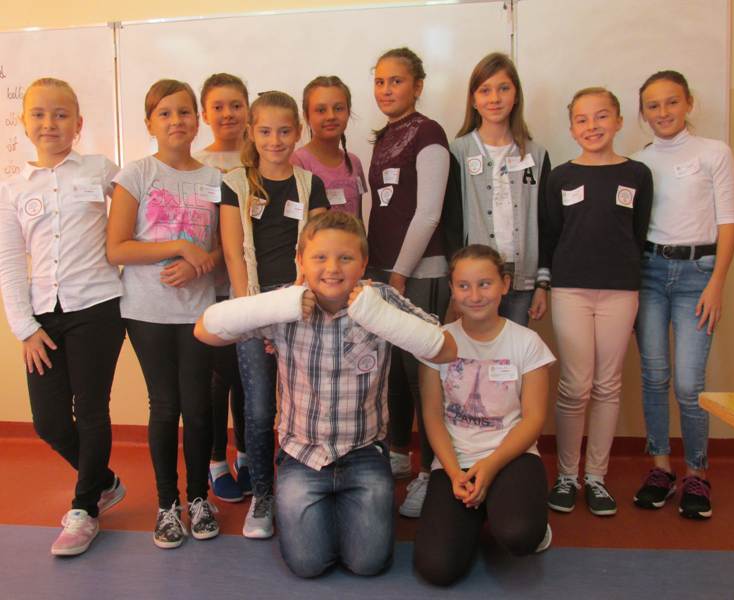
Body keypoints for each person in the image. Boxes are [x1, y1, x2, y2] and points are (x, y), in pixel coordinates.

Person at [195, 211, 457, 578]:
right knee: (308, 565)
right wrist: (278, 305)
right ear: (300, 261)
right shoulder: (284, 303)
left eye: (345, 258)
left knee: (368, 564)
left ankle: (340, 509)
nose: (332, 268)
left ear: (363, 263)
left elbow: (445, 349)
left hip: (364, 453)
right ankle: (329, 511)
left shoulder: (380, 298)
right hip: (302, 456)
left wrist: (379, 315)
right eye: (319, 257)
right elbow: (205, 330)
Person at [0, 77, 126, 557]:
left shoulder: (100, 170)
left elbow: (139, 216)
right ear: (23, 122)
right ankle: (105, 481)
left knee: (91, 410)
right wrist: (25, 329)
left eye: (60, 114)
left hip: (98, 307)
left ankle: (84, 509)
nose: (49, 123)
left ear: (79, 123)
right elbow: (10, 263)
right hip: (43, 319)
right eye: (38, 114)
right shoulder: (12, 189)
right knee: (49, 422)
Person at [106, 79, 222, 548]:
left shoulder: (216, 178)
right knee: (165, 406)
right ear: (150, 123)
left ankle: (199, 499)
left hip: (198, 310)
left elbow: (222, 248)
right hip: (146, 312)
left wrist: (200, 263)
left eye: (185, 112)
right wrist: (178, 246)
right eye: (165, 113)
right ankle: (167, 504)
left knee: (198, 408)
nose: (177, 121)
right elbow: (117, 248)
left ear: (197, 120)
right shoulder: (136, 173)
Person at [219, 90, 328, 538]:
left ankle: (304, 489)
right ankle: (263, 494)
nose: (275, 140)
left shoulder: (310, 184)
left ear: (298, 132)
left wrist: (298, 302)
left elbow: (319, 249)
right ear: (251, 132)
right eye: (265, 131)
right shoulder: (235, 183)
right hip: (253, 308)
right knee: (261, 407)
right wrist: (256, 314)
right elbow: (233, 253)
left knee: (305, 404)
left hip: (302, 306)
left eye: (284, 131)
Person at [414, 244, 554, 586]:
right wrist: (453, 473)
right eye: (464, 286)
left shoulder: (527, 342)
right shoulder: (437, 342)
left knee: (520, 535)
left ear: (505, 284)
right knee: (437, 568)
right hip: (455, 461)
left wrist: (489, 468)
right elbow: (432, 416)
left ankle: (511, 508)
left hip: (510, 457)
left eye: (485, 284)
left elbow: (533, 420)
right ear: (452, 289)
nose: (475, 296)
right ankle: (477, 513)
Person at [632, 70, 734, 519]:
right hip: (650, 273)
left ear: (688, 102)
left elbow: (728, 222)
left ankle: (697, 472)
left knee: (690, 384)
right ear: (643, 114)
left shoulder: (715, 152)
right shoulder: (639, 163)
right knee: (654, 376)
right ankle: (661, 468)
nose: (663, 112)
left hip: (698, 275)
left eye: (671, 102)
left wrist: (717, 283)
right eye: (653, 106)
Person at [542, 87, 653, 517]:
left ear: (619, 121)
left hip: (620, 290)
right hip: (570, 289)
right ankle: (566, 476)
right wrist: (545, 283)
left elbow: (638, 234)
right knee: (575, 385)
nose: (593, 126)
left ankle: (595, 477)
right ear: (572, 129)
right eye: (583, 119)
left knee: (608, 385)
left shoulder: (638, 174)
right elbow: (552, 234)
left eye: (602, 116)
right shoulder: (561, 177)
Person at [367, 47, 452, 517]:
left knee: (424, 378)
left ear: (418, 86)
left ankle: (431, 471)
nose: (386, 90)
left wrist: (399, 272)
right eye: (379, 81)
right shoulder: (384, 136)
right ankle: (399, 454)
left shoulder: (429, 133)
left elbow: (429, 212)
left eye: (396, 81)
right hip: (385, 272)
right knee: (395, 374)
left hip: (419, 272)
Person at [450, 52, 550, 326]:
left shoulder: (536, 155)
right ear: (473, 99)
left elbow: (545, 222)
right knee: (476, 348)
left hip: (521, 277)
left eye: (503, 88)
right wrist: (456, 282)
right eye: (485, 90)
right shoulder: (458, 151)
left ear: (516, 95)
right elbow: (451, 222)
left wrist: (542, 284)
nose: (494, 98)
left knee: (512, 350)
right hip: (474, 278)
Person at [195, 73, 251, 502]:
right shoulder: (197, 164)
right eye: (218, 106)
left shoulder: (262, 156)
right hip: (209, 290)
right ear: (204, 114)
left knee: (248, 379)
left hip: (251, 290)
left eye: (236, 105)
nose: (228, 114)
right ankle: (217, 460)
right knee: (218, 380)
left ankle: (248, 455)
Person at [291, 75, 366, 218]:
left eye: (338, 108)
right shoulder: (298, 162)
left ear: (348, 111)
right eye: (321, 110)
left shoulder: (354, 163)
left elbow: (359, 219)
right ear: (306, 116)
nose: (331, 116)